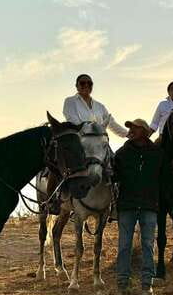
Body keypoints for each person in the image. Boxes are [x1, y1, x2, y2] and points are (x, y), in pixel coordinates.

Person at [46, 74, 127, 214]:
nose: (86, 86)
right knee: (57, 165)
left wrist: (126, 134)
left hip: (99, 141)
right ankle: (53, 201)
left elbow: (111, 123)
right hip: (79, 140)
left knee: (116, 165)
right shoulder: (70, 101)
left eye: (89, 84)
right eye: (82, 83)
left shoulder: (100, 106)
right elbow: (72, 119)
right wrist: (92, 127)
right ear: (77, 86)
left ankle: (114, 203)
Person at [113, 118, 163, 295]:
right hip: (127, 205)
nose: (131, 130)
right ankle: (122, 284)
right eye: (130, 128)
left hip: (149, 205)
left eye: (135, 128)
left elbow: (164, 177)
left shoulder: (157, 153)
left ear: (144, 131)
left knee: (148, 245)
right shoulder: (121, 153)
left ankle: (147, 285)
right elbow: (114, 178)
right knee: (124, 245)